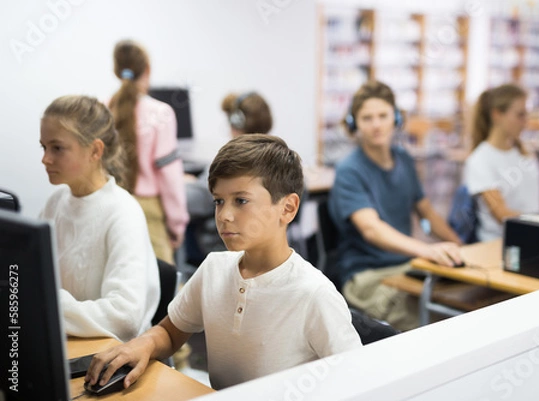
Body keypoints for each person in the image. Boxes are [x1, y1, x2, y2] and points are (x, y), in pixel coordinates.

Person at [85, 134, 362, 390]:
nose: (224, 215)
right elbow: (170, 333)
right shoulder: (214, 269)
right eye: (219, 201)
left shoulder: (314, 294)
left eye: (241, 201)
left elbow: (359, 382)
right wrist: (142, 345)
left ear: (287, 208)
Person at [328, 80, 463, 332]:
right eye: (367, 118)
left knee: (462, 301)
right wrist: (427, 250)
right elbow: (371, 229)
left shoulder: (404, 160)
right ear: (354, 124)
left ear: (396, 118)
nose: (376, 124)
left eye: (383, 116)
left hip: (408, 267)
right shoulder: (349, 170)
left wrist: (461, 248)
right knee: (431, 321)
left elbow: (428, 215)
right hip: (366, 277)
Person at [39, 95, 160, 342]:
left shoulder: (123, 212)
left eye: (57, 148)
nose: (45, 159)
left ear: (95, 150)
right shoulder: (56, 203)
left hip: (112, 355)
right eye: (44, 147)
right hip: (67, 341)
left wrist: (47, 303)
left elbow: (124, 318)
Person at [109, 39, 189, 264]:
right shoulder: (161, 113)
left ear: (116, 71)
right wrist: (177, 224)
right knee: (162, 291)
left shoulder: (103, 108)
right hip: (148, 212)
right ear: (147, 70)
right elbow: (170, 177)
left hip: (111, 206)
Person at [184, 91, 273, 264]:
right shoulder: (281, 160)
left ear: (236, 123)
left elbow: (188, 200)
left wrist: (180, 182)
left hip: (222, 254)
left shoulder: (230, 167)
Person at [463, 83, 539, 242]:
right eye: (520, 115)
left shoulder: (524, 153)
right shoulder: (480, 160)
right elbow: (501, 214)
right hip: (499, 243)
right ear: (497, 114)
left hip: (532, 236)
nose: (525, 121)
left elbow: (534, 202)